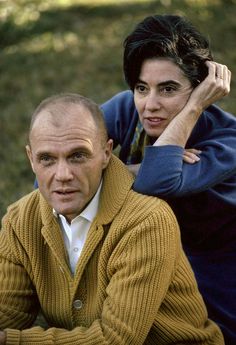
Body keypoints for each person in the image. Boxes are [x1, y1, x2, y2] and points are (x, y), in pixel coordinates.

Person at [0, 93, 224, 344]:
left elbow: (116, 339)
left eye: (78, 156)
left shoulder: (147, 222)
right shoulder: (19, 221)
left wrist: (11, 340)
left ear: (106, 153)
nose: (62, 174)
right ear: (31, 159)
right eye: (47, 159)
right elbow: (8, 312)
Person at [100, 14, 236, 344]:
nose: (150, 105)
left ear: (201, 90)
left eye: (169, 89)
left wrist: (192, 111)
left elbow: (155, 184)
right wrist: (133, 169)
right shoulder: (126, 111)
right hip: (144, 261)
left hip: (214, 277)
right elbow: (54, 177)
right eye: (141, 88)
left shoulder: (227, 140)